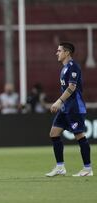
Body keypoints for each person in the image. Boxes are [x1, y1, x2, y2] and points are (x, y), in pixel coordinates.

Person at [45, 42, 92, 177]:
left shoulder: (73, 67)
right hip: (66, 109)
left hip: (75, 108)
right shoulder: (64, 68)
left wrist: (59, 101)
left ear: (67, 52)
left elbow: (71, 88)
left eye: (59, 51)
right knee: (54, 133)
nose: (57, 53)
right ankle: (60, 167)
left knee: (79, 135)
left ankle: (87, 169)